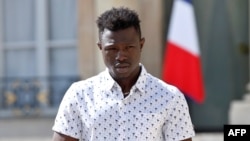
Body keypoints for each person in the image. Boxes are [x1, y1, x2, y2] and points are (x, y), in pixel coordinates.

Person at [52, 6, 195, 141]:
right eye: (112, 49)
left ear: (141, 45)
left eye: (129, 47)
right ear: (100, 47)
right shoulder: (79, 95)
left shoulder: (170, 97)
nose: (121, 56)